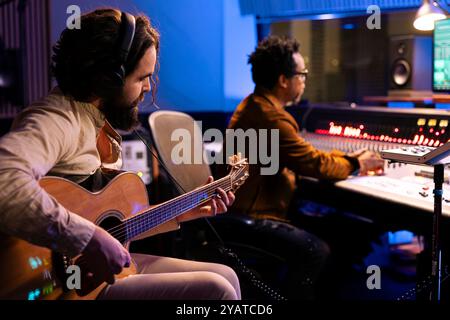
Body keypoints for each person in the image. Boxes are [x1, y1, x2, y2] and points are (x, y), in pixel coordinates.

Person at [0, 8, 240, 300]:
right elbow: (5, 180)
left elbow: (111, 226)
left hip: (90, 276)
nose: (148, 87)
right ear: (109, 77)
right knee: (217, 291)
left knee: (225, 274)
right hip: (55, 285)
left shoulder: (95, 118)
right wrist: (86, 238)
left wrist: (186, 211)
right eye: (142, 77)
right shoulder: (57, 118)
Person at [224, 35, 385, 300]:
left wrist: (347, 159)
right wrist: (357, 163)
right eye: (302, 74)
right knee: (317, 248)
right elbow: (313, 163)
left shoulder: (256, 106)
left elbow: (304, 155)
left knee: (348, 229)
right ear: (283, 80)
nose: (305, 80)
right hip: (254, 217)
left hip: (252, 209)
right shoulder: (270, 117)